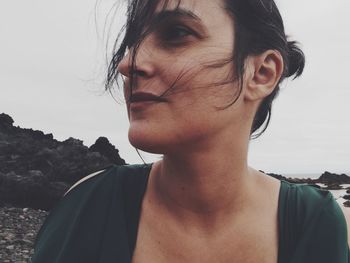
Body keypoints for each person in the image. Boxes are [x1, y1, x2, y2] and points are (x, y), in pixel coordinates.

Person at [31, 0, 350, 262]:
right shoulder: (89, 206)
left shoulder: (317, 225)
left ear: (262, 73)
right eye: (131, 43)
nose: (127, 64)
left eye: (176, 33)